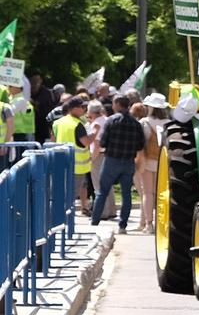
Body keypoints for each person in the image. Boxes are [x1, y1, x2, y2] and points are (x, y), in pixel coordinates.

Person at [92, 94, 146, 231]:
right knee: (126, 194)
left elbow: (103, 142)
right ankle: (123, 225)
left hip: (111, 160)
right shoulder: (136, 124)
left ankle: (95, 221)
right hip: (128, 162)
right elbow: (140, 145)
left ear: (117, 104)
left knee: (102, 191)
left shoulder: (111, 121)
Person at [132, 96, 166, 232]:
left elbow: (140, 144)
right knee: (161, 194)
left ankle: (148, 224)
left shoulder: (144, 123)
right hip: (163, 162)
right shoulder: (169, 122)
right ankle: (160, 222)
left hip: (147, 161)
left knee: (147, 193)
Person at [51, 97, 90, 211]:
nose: (85, 110)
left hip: (60, 162)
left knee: (61, 193)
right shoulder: (78, 124)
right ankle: (64, 219)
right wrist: (95, 134)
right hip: (77, 166)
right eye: (82, 107)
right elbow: (86, 142)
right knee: (71, 195)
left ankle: (57, 217)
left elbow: (53, 141)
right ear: (74, 108)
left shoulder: (57, 123)